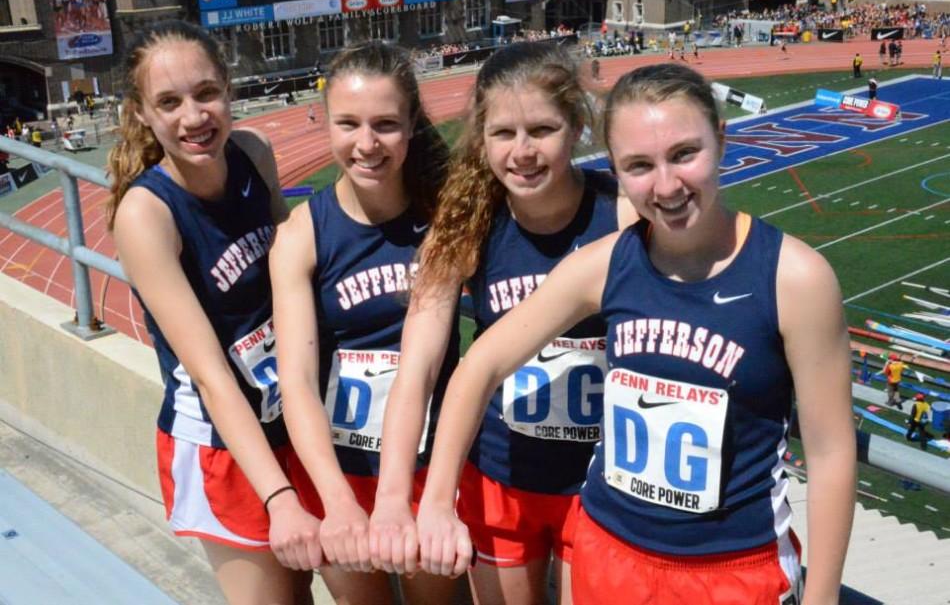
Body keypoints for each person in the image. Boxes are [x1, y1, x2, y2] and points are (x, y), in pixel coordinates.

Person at [416, 63, 856, 605]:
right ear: (616, 170)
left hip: (733, 569)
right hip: (609, 554)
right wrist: (437, 502)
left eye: (684, 154)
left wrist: (824, 596)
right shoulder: (601, 266)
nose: (667, 185)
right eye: (640, 165)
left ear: (720, 140)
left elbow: (831, 451)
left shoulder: (795, 278)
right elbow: (479, 365)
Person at [387, 42, 635, 604]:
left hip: (600, 486)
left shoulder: (622, 213)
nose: (522, 152)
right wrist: (402, 500)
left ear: (576, 127)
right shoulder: (466, 226)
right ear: (481, 137)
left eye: (542, 130)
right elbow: (418, 367)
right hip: (500, 477)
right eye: (503, 134)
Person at [106, 20, 322, 605]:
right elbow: (207, 373)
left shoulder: (253, 154)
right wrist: (278, 498)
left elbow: (291, 271)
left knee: (304, 585)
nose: (193, 117)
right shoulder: (147, 216)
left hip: (289, 413)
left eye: (205, 93)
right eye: (169, 102)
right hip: (222, 441)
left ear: (229, 88)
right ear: (142, 114)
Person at [268, 40, 459, 605]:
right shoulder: (302, 234)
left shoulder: (441, 222)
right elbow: (296, 380)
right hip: (337, 468)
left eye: (385, 125)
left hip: (422, 468)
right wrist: (338, 501)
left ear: (410, 126)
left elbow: (419, 369)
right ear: (324, 124)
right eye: (348, 124)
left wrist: (399, 498)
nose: (367, 144)